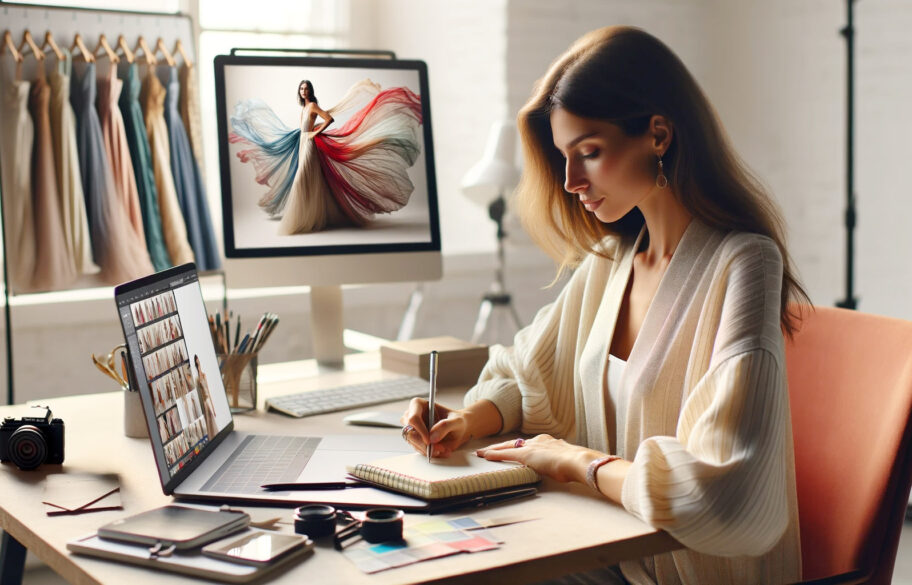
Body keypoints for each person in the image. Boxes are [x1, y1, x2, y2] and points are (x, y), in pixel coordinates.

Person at [401, 26, 808, 585]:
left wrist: (578, 462)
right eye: (564, 158)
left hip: (685, 572)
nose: (570, 181)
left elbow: (727, 491)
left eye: (589, 153)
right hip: (607, 550)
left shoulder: (743, 264)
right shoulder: (612, 262)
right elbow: (527, 377)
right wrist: (465, 421)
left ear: (658, 134)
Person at [229, 78, 424, 234]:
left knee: (301, 180)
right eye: (301, 89)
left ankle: (302, 220)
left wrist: (314, 133)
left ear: (310, 91)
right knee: (311, 181)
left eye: (306, 88)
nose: (303, 91)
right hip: (303, 142)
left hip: (310, 144)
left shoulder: (312, 105)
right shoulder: (304, 107)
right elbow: (306, 126)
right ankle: (311, 217)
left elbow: (329, 119)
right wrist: (306, 134)